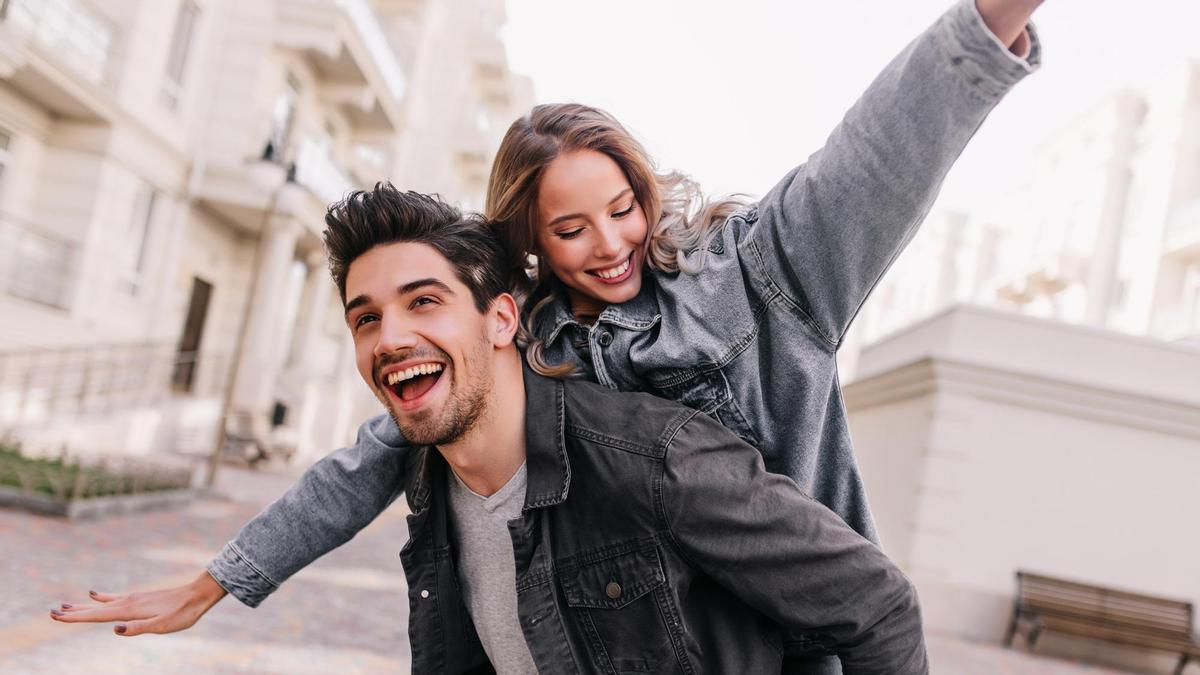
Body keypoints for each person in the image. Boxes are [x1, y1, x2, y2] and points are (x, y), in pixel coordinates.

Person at [55, 0, 1044, 671]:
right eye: (570, 230)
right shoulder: (525, 347)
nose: (611, 244)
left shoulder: (756, 279)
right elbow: (373, 458)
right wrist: (222, 578)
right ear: (528, 240)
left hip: (791, 636)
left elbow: (875, 155)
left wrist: (988, 21)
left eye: (624, 206)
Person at [55, 188, 928, 674]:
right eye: (365, 317)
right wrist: (217, 582)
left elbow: (878, 604)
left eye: (423, 301)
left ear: (504, 319)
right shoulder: (431, 482)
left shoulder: (654, 457)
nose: (389, 335)